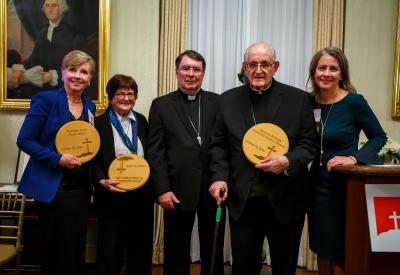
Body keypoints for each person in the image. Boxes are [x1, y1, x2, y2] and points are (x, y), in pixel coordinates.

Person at [208, 41, 319, 275]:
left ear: (275, 66)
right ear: (244, 67)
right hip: (244, 200)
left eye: (265, 64)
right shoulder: (227, 100)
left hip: (286, 197)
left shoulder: (298, 99)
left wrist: (287, 161)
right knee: (244, 266)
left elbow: (309, 145)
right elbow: (218, 146)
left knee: (284, 266)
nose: (258, 70)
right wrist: (219, 178)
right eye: (252, 64)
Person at [307, 47, 387, 275]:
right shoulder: (308, 102)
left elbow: (379, 137)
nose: (327, 73)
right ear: (314, 72)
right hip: (315, 184)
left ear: (342, 74)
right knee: (321, 247)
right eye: (322, 68)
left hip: (343, 186)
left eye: (333, 69)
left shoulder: (354, 102)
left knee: (339, 248)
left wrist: (353, 158)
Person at [16, 50, 96, 275]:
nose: (78, 76)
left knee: (75, 246)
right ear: (62, 73)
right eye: (72, 70)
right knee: (55, 249)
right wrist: (57, 159)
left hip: (80, 189)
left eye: (84, 72)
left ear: (90, 79)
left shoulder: (90, 107)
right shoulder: (46, 100)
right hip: (53, 188)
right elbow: (24, 140)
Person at [148, 50, 225, 275]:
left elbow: (224, 146)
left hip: (213, 190)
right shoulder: (161, 105)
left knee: (213, 248)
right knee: (176, 251)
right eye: (186, 68)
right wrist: (162, 189)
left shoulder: (218, 102)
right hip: (177, 191)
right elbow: (156, 151)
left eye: (196, 69)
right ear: (176, 72)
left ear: (203, 74)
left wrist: (221, 179)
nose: (191, 74)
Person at [92, 74, 154, 275]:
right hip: (112, 195)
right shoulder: (98, 124)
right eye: (120, 93)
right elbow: (92, 160)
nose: (126, 98)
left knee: (141, 250)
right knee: (110, 251)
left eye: (131, 94)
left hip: (141, 196)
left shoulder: (142, 121)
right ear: (110, 97)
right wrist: (101, 180)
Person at [9, 0, 85, 99]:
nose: (50, 9)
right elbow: (33, 60)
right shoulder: (42, 33)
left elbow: (77, 67)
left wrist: (53, 75)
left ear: (61, 9)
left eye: (54, 6)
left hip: (63, 85)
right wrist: (19, 69)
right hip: (42, 82)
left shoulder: (73, 35)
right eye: (47, 6)